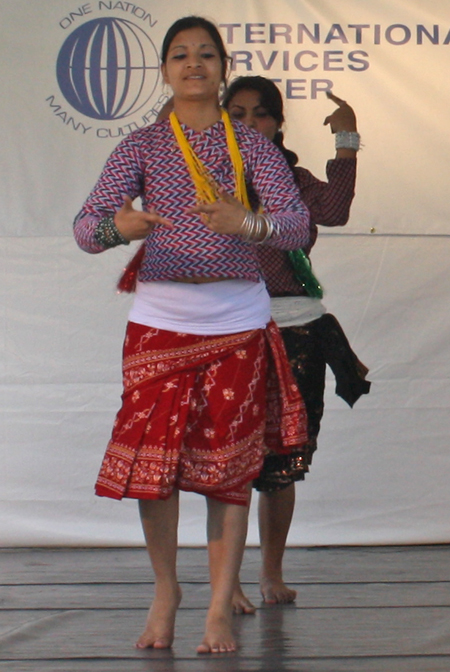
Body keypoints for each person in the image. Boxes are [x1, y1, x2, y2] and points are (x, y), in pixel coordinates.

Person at [73, 19, 311, 654]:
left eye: (206, 54)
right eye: (180, 54)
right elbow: (85, 227)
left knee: (229, 466)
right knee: (157, 464)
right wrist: (118, 229)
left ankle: (216, 607)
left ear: (223, 67)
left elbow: (297, 227)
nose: (193, 63)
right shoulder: (142, 145)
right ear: (164, 71)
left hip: (236, 319)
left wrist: (248, 222)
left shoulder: (252, 147)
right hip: (160, 319)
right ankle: (165, 592)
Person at [221, 76, 371, 612]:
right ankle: (227, 583)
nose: (249, 125)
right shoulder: (207, 179)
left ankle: (270, 572)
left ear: (278, 123)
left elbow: (333, 210)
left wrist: (347, 140)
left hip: (296, 330)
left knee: (282, 458)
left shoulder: (292, 178)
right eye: (235, 114)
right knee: (230, 458)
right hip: (229, 330)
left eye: (260, 115)